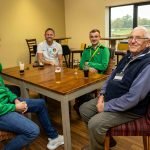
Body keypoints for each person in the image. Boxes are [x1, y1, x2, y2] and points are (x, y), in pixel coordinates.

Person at [79, 26, 150, 150]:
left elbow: (133, 98)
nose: (132, 41)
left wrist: (105, 106)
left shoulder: (147, 65)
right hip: (110, 98)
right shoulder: (128, 56)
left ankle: (96, 147)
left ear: (148, 42)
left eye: (138, 38)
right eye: (131, 37)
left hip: (130, 108)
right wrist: (102, 94)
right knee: (84, 109)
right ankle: (105, 142)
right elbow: (111, 77)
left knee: (95, 124)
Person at [0, 64, 64, 150]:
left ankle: (54, 137)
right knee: (33, 131)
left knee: (40, 104)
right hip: (2, 112)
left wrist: (15, 99)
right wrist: (14, 107)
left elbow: (4, 89)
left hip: (8, 103)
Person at [73, 29, 110, 115]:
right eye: (92, 37)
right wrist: (89, 68)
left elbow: (104, 66)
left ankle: (82, 105)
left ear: (99, 37)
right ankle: (82, 105)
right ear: (89, 38)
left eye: (96, 36)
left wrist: (89, 63)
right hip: (86, 75)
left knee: (82, 88)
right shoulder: (87, 50)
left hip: (98, 77)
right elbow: (81, 65)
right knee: (74, 85)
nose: (94, 39)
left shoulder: (104, 50)